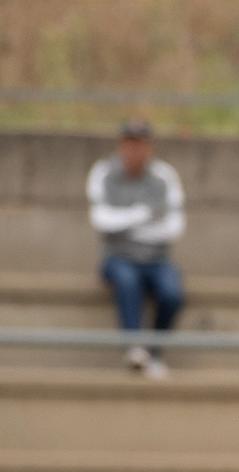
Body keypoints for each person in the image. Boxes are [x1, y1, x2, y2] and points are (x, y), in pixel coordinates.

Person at [86, 119, 185, 379]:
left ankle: (154, 353)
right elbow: (101, 220)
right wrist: (143, 214)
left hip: (156, 259)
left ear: (150, 147)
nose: (134, 151)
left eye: (140, 144)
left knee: (172, 292)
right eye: (130, 144)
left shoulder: (164, 175)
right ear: (121, 145)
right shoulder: (103, 172)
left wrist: (125, 223)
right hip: (118, 257)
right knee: (127, 279)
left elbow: (174, 227)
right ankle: (133, 348)